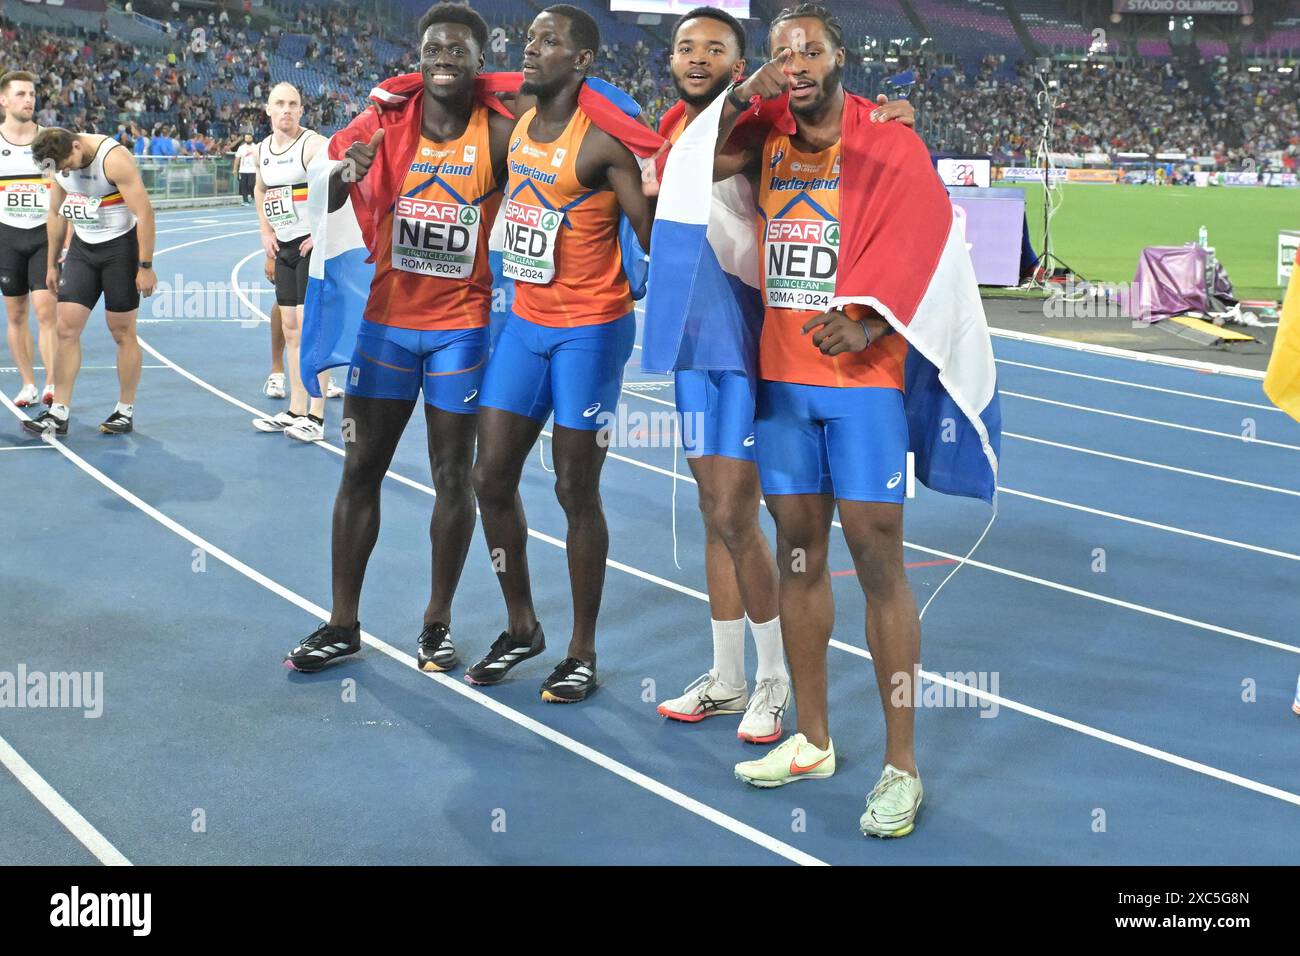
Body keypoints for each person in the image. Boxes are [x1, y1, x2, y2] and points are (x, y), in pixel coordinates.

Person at [652, 6, 915, 744]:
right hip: (706, 347)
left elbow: (916, 236)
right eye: (684, 47)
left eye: (716, 49)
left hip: (768, 347)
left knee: (766, 522)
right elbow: (669, 187)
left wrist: (869, 325)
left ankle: (789, 693)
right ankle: (743, 682)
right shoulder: (681, 129)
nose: (697, 58)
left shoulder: (800, 126)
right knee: (721, 512)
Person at [716, 4, 924, 836]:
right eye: (780, 52)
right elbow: (693, 160)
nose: (795, 61)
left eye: (810, 49)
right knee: (801, 557)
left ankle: (901, 765)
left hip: (866, 384)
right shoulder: (762, 139)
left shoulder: (889, 142)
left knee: (878, 561)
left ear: (841, 57)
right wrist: (742, 97)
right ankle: (811, 739)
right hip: (785, 387)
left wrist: (870, 325)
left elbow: (930, 251)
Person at [283, 2, 517, 673]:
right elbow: (322, 198)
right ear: (419, 58)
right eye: (433, 50)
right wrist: (342, 176)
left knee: (453, 478)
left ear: (478, 60)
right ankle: (342, 623)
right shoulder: (381, 125)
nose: (444, 60)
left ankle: (436, 622)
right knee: (360, 472)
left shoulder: (500, 133)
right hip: (387, 327)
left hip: (460, 332)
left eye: (458, 52)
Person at [467, 5, 657, 702]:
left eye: (549, 42)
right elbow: (459, 91)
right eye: (530, 37)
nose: (532, 48)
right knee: (489, 478)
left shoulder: (604, 145)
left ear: (581, 62)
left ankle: (582, 649)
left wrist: (658, 184)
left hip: (591, 331)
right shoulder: (516, 118)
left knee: (575, 488)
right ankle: (522, 626)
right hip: (523, 322)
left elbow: (653, 228)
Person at [21, 127, 156, 436]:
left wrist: (145, 266)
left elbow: (145, 213)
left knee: (121, 332)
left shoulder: (114, 160)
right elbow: (55, 212)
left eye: (68, 164)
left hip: (120, 249)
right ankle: (59, 412)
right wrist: (53, 261)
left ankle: (124, 410)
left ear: (78, 146)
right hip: (83, 248)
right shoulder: (56, 164)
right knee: (65, 328)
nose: (66, 171)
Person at [248, 82, 334, 442]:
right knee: (290, 328)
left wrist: (320, 232)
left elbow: (340, 187)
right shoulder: (261, 150)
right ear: (267, 110)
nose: (286, 110)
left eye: (293, 104)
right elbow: (261, 189)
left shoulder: (313, 146)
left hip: (310, 247)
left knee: (311, 327)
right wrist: (265, 231)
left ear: (301, 110)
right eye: (279, 104)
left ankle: (316, 415)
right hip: (283, 246)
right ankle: (296, 410)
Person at [0, 71, 57, 410]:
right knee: (16, 313)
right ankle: (28, 384)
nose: (29, 99)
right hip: (6, 235)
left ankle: (51, 383)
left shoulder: (49, 141)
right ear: (3, 100)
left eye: (32, 94)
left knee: (45, 311)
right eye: (21, 94)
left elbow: (65, 187)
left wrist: (66, 236)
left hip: (43, 234)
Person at [233, 131, 256, 204]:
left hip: (253, 170)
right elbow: (237, 158)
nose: (248, 139)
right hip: (243, 170)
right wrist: (235, 169)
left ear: (252, 138)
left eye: (249, 138)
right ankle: (245, 200)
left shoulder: (256, 147)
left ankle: (253, 196)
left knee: (251, 184)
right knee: (243, 185)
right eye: (246, 138)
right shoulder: (241, 148)